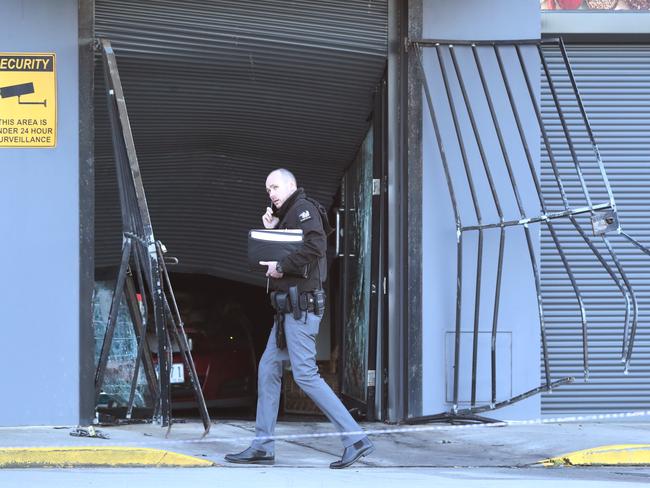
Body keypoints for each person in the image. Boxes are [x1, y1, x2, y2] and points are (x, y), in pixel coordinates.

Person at [225, 168, 374, 469]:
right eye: (268, 190)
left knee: (305, 375)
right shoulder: (288, 215)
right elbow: (288, 248)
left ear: (291, 185)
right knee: (268, 368)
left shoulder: (304, 209)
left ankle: (355, 439)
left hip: (301, 309)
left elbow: (316, 247)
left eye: (276, 187)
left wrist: (280, 265)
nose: (272, 193)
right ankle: (263, 447)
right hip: (287, 311)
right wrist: (273, 227)